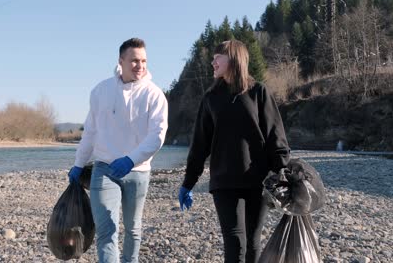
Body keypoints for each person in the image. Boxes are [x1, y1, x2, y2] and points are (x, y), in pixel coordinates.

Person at [178, 39, 290, 263]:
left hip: (257, 181)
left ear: (234, 58)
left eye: (217, 57)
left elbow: (275, 136)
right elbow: (200, 144)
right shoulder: (211, 99)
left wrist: (284, 173)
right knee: (235, 241)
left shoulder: (258, 92)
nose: (213, 62)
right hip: (224, 182)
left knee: (252, 242)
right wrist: (188, 182)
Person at [67, 38, 168, 263]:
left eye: (143, 61)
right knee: (106, 231)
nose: (140, 66)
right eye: (134, 61)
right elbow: (90, 132)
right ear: (120, 61)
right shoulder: (101, 91)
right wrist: (79, 163)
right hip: (105, 169)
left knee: (133, 229)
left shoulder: (155, 95)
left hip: (139, 171)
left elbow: (157, 136)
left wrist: (131, 160)